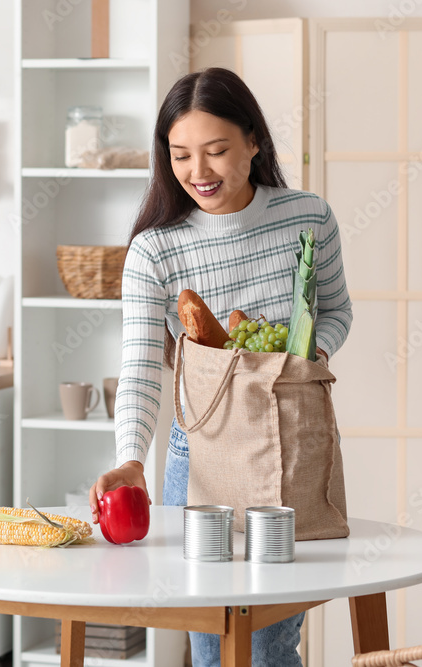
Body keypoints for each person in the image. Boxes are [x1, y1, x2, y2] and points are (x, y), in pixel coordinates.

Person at [88, 67, 352, 666]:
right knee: (211, 643)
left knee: (272, 642)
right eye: (180, 155)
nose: (198, 172)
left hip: (290, 446)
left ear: (254, 142)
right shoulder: (155, 249)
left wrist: (306, 357)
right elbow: (141, 367)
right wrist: (132, 456)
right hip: (199, 453)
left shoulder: (307, 216)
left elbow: (335, 310)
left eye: (216, 151)